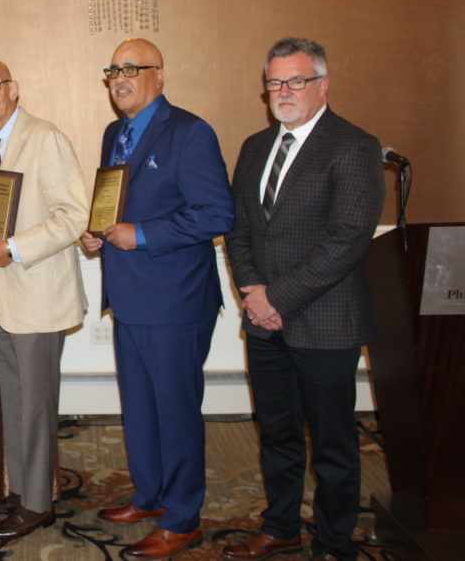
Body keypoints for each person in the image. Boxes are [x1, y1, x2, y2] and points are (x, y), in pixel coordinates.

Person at [222, 38, 384, 561]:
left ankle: (335, 544)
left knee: (334, 446)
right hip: (264, 322)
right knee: (276, 435)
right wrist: (252, 291)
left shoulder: (354, 146)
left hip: (325, 322)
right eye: (275, 82)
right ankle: (281, 525)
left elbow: (347, 239)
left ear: (323, 84)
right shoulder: (253, 147)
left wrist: (277, 298)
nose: (283, 92)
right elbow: (240, 230)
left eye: (296, 81)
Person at [80, 38, 235, 559]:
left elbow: (218, 214)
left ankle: (183, 517)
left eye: (132, 69)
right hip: (127, 298)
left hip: (175, 303)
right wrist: (97, 233)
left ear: (159, 75)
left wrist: (141, 234)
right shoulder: (114, 134)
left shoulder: (190, 133)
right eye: (113, 70)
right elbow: (116, 206)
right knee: (140, 409)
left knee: (175, 412)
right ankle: (150, 496)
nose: (120, 78)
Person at [0, 59, 89, 540]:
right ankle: (23, 489)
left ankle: (38, 504)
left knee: (36, 404)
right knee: (17, 401)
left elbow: (72, 216)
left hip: (38, 295)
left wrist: (13, 248)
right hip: (6, 297)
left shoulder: (46, 137)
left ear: (14, 89)